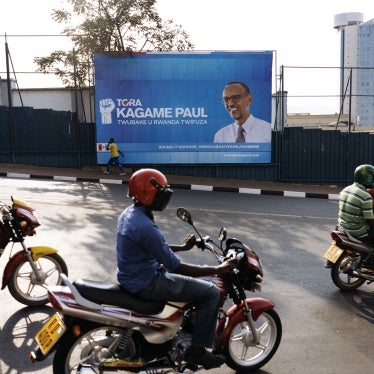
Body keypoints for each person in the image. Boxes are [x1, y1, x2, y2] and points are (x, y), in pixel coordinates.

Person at [116, 168, 237, 369]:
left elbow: (154, 248)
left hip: (132, 276)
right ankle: (197, 352)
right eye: (160, 192)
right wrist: (218, 269)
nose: (164, 197)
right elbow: (177, 267)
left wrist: (182, 247)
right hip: (147, 282)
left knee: (196, 284)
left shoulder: (131, 214)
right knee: (210, 292)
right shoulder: (146, 227)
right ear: (148, 193)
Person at [338, 164, 374, 243]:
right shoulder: (365, 196)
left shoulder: (346, 189)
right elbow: (370, 221)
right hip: (358, 232)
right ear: (368, 178)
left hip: (343, 227)